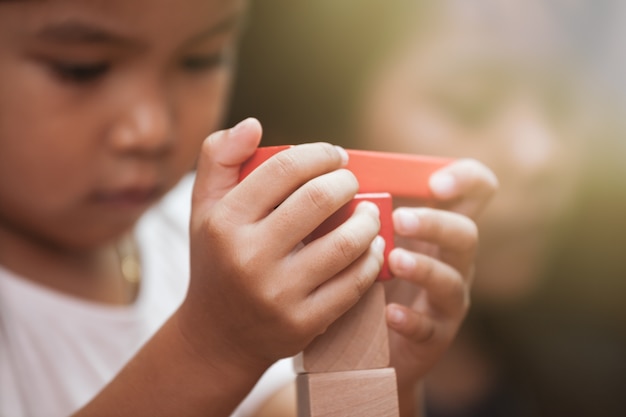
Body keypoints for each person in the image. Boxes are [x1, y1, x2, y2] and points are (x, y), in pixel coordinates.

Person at [0, 1, 498, 416]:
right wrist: (210, 350)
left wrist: (366, 367)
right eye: (80, 68)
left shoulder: (212, 234)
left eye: (201, 59)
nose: (152, 129)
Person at [226, 0, 626, 416]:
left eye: (560, 103)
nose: (544, 157)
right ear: (325, 126)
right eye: (471, 105)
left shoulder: (594, 365)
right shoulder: (259, 382)